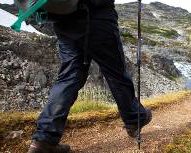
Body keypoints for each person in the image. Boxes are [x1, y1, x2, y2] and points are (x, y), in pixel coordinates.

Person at [26, 1, 152, 152]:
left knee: (68, 77)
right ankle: (133, 118)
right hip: (98, 15)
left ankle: (44, 139)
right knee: (115, 72)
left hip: (64, 19)